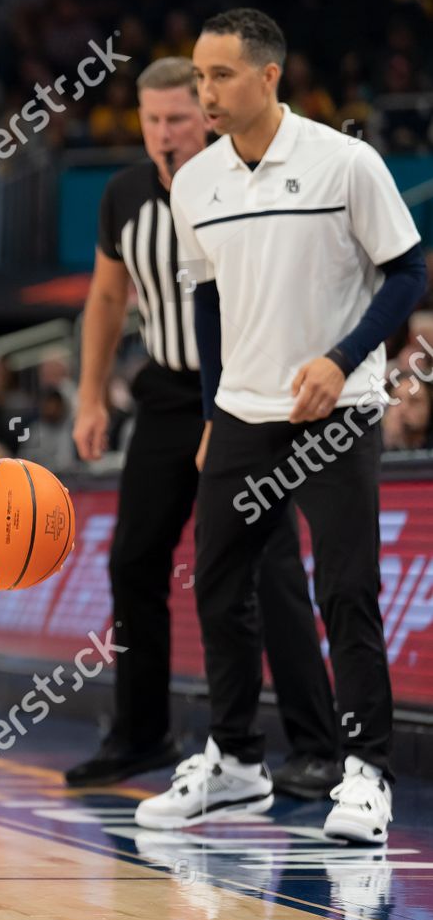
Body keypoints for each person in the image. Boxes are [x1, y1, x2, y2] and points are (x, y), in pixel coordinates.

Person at [136, 9, 424, 845]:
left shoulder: (347, 162)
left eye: (220, 76)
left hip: (337, 412)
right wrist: (210, 410)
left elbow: (407, 275)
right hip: (242, 416)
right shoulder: (195, 182)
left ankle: (365, 773)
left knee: (346, 589)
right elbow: (209, 300)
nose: (205, 93)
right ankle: (233, 763)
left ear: (269, 77)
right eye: (197, 77)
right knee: (220, 588)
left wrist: (341, 357)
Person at [70, 56, 339, 795]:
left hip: (251, 391)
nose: (165, 134)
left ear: (209, 114)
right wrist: (91, 397)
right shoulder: (125, 194)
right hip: (164, 395)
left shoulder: (243, 184)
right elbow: (105, 297)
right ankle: (141, 733)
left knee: (271, 563)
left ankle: (316, 746)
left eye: (179, 120)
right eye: (152, 121)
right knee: (133, 562)